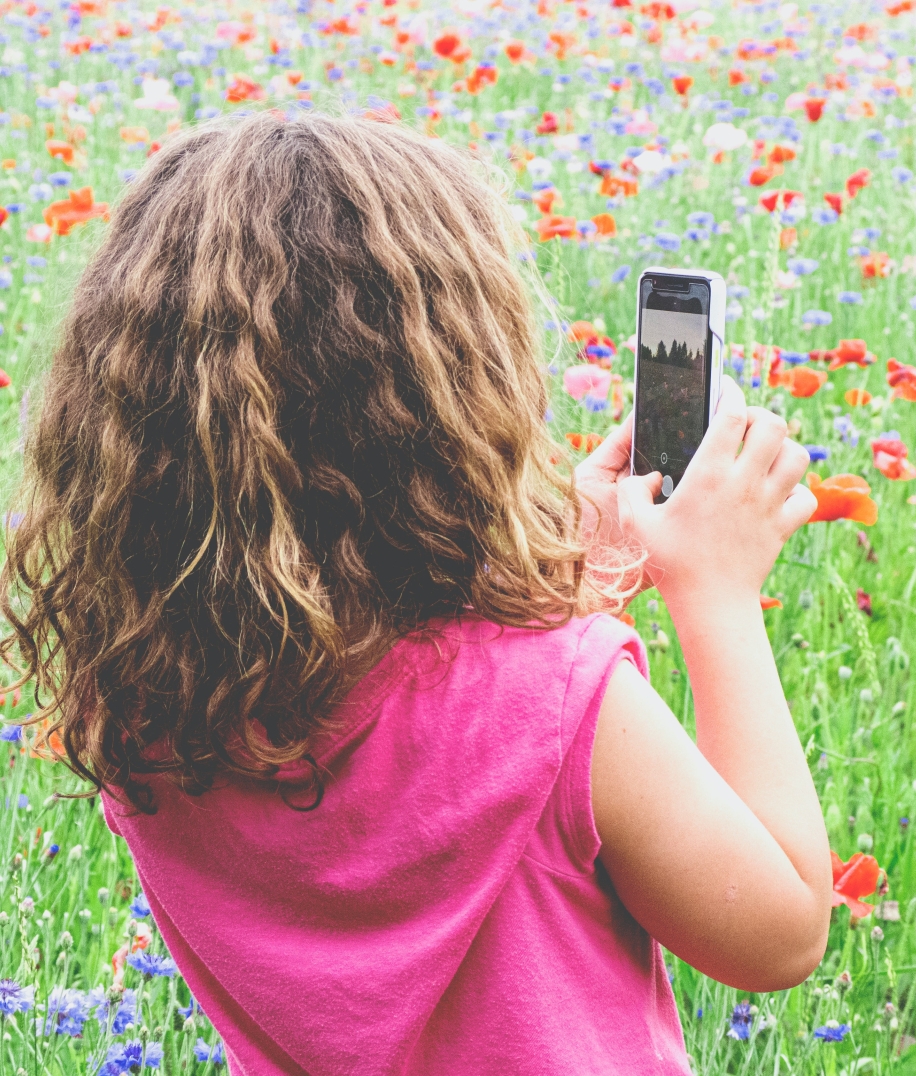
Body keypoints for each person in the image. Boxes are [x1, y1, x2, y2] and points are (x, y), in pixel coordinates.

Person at [0, 113, 830, 1075]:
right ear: (455, 400)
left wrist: (573, 576)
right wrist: (714, 595)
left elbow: (397, 719)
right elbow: (780, 935)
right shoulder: (562, 704)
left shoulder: (145, 704)